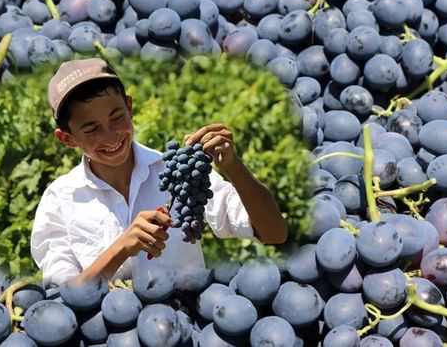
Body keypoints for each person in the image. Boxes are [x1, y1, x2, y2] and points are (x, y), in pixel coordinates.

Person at [30, 58, 288, 289]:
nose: (111, 136)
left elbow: (274, 232)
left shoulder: (178, 172)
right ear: (67, 139)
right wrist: (122, 248)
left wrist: (233, 167)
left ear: (129, 107)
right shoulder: (60, 201)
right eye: (91, 129)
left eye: (117, 117)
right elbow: (65, 299)